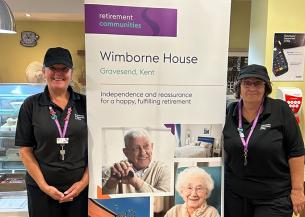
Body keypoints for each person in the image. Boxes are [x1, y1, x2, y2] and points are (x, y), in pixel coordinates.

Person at [223, 64, 305, 217]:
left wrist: (298, 190)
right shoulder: (230, 112)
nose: (252, 87)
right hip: (235, 195)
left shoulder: (280, 110)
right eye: (247, 83)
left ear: (266, 87)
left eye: (258, 83)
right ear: (239, 87)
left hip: (274, 197)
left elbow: (296, 151)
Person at [15, 47, 88, 217]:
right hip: (41, 191)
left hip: (80, 190)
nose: (58, 73)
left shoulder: (85, 104)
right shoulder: (30, 105)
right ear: (44, 71)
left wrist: (84, 183)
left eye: (64, 69)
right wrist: (44, 186)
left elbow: (96, 148)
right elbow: (25, 151)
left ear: (71, 72)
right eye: (53, 68)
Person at [102, 128, 170, 194]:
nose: (143, 153)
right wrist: (111, 184)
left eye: (146, 146)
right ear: (126, 152)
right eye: (136, 148)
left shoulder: (163, 170)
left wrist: (135, 181)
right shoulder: (116, 170)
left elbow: (165, 198)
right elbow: (103, 201)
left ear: (152, 147)